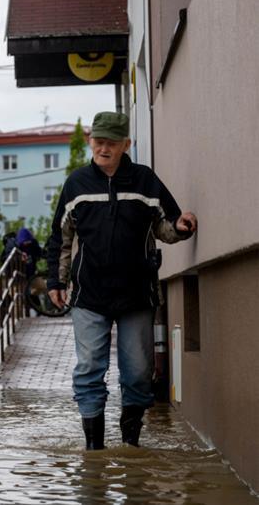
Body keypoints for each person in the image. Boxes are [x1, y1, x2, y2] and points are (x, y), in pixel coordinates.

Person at [46, 112, 197, 450]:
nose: (104, 147)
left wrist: (183, 227)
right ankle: (94, 450)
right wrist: (55, 283)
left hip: (137, 294)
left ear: (126, 145)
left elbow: (166, 225)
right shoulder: (76, 184)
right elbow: (60, 237)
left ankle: (131, 444)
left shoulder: (145, 181)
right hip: (89, 294)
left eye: (111, 142)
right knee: (88, 368)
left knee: (139, 373)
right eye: (98, 141)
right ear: (90, 142)